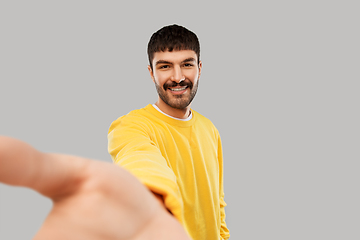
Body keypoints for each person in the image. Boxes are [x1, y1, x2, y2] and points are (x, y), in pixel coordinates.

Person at [108, 24, 230, 240]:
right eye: (165, 66)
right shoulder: (131, 126)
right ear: (151, 72)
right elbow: (140, 162)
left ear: (199, 68)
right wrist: (154, 198)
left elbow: (216, 202)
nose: (178, 77)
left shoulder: (210, 129)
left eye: (187, 64)